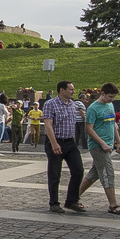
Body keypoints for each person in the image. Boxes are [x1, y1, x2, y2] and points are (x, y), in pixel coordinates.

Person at [76, 82, 120, 214]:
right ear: (102, 93)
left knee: (94, 174)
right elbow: (88, 129)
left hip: (108, 145)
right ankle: (113, 204)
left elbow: (113, 124)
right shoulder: (93, 108)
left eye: (114, 97)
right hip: (98, 146)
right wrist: (102, 143)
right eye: (110, 96)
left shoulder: (110, 105)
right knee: (108, 173)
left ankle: (74, 197)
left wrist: (118, 141)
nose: (112, 99)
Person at [42, 80, 86, 211]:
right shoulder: (51, 104)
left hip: (70, 142)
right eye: (71, 89)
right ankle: (54, 203)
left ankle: (71, 201)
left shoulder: (72, 104)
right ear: (62, 90)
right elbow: (48, 125)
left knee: (78, 170)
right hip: (56, 141)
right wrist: (54, 143)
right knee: (55, 174)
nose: (73, 92)